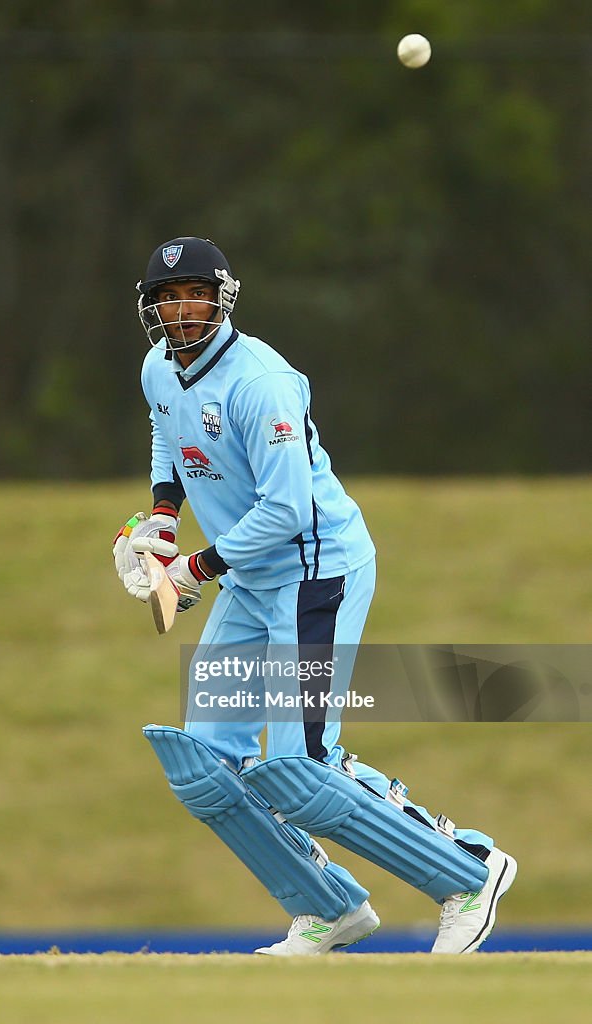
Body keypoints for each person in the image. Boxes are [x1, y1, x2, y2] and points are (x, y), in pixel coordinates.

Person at [113, 236, 516, 955]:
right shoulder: (156, 368)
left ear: (222, 298)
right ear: (151, 307)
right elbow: (166, 436)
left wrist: (193, 571)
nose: (183, 308)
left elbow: (288, 512)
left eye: (196, 293)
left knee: (301, 764)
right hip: (249, 573)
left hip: (313, 572)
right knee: (206, 767)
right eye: (169, 297)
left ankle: (468, 871)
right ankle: (326, 906)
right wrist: (163, 519)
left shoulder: (259, 381)